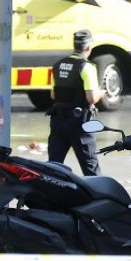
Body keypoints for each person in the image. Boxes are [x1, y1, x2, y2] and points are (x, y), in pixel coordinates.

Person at [47, 29, 105, 176]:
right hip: (79, 124)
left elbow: (53, 95)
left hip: (58, 121)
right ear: (89, 47)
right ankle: (98, 197)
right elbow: (91, 98)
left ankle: (50, 197)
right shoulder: (86, 67)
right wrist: (101, 93)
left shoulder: (57, 65)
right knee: (91, 168)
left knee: (53, 167)